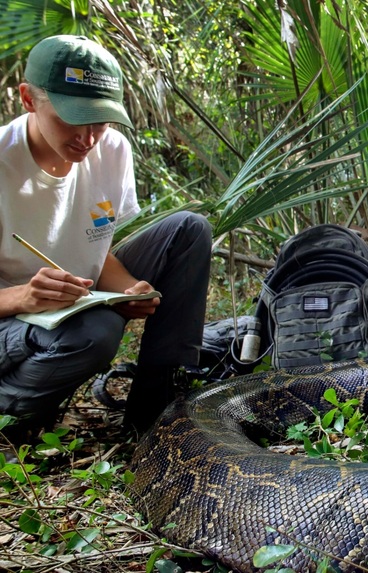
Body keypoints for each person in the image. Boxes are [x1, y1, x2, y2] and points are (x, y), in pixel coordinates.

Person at [0, 35, 212, 443]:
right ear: (28, 99)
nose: (87, 138)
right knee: (96, 330)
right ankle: (12, 420)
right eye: (71, 117)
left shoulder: (111, 150)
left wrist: (129, 289)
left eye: (99, 120)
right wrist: (23, 297)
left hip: (70, 302)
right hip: (13, 320)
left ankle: (156, 406)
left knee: (189, 229)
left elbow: (95, 249)